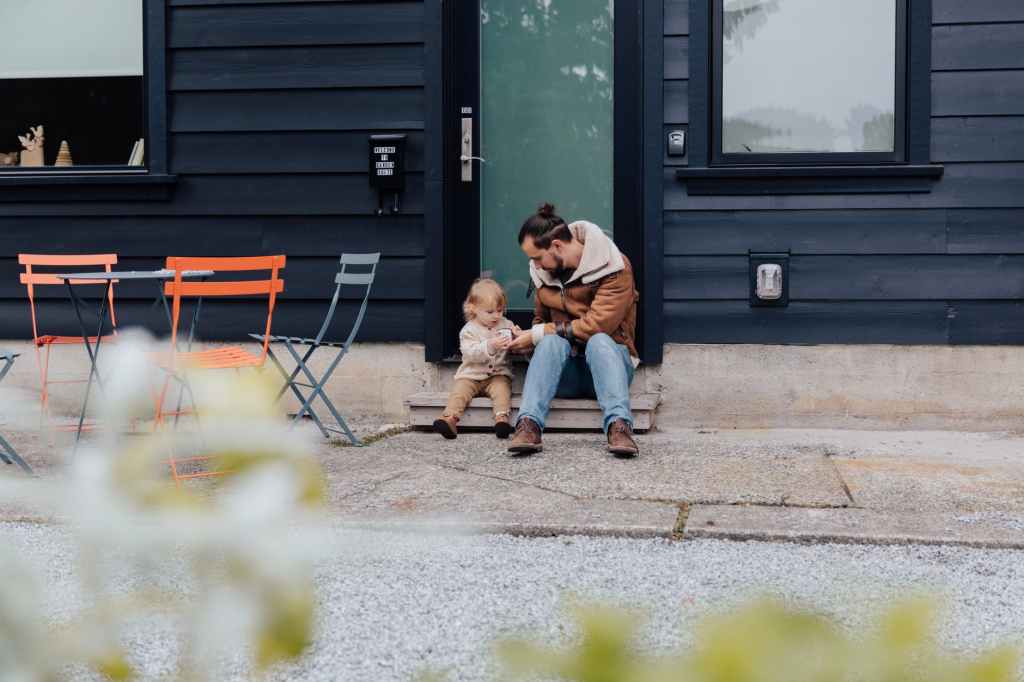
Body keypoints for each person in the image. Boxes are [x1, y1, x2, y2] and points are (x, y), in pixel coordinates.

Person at [506, 203, 640, 457]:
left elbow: (597, 325)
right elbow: (540, 321)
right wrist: (524, 338)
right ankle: (528, 425)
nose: (535, 265)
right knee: (550, 342)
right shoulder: (543, 272)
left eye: (537, 257)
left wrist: (540, 332)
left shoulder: (614, 266)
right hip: (564, 375)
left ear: (557, 246)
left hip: (609, 370)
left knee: (599, 339)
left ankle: (619, 426)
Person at [433, 278, 519, 440]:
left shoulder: (506, 324)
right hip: (471, 375)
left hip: (497, 375)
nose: (496, 316)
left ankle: (502, 419)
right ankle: (450, 419)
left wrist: (516, 337)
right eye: (490, 312)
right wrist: (490, 345)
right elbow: (470, 353)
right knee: (460, 392)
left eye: (500, 311)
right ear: (473, 309)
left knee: (502, 390)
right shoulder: (469, 330)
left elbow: (515, 343)